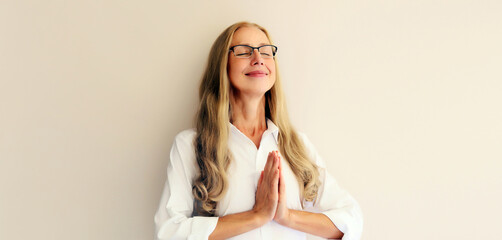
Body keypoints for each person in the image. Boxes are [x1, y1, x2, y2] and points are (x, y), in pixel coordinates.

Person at [154, 21, 363, 240]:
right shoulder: (190, 146)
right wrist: (256, 216)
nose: (258, 59)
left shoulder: (297, 146)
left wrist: (286, 216)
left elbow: (351, 220)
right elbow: (169, 232)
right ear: (222, 65)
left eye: (265, 51)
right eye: (243, 52)